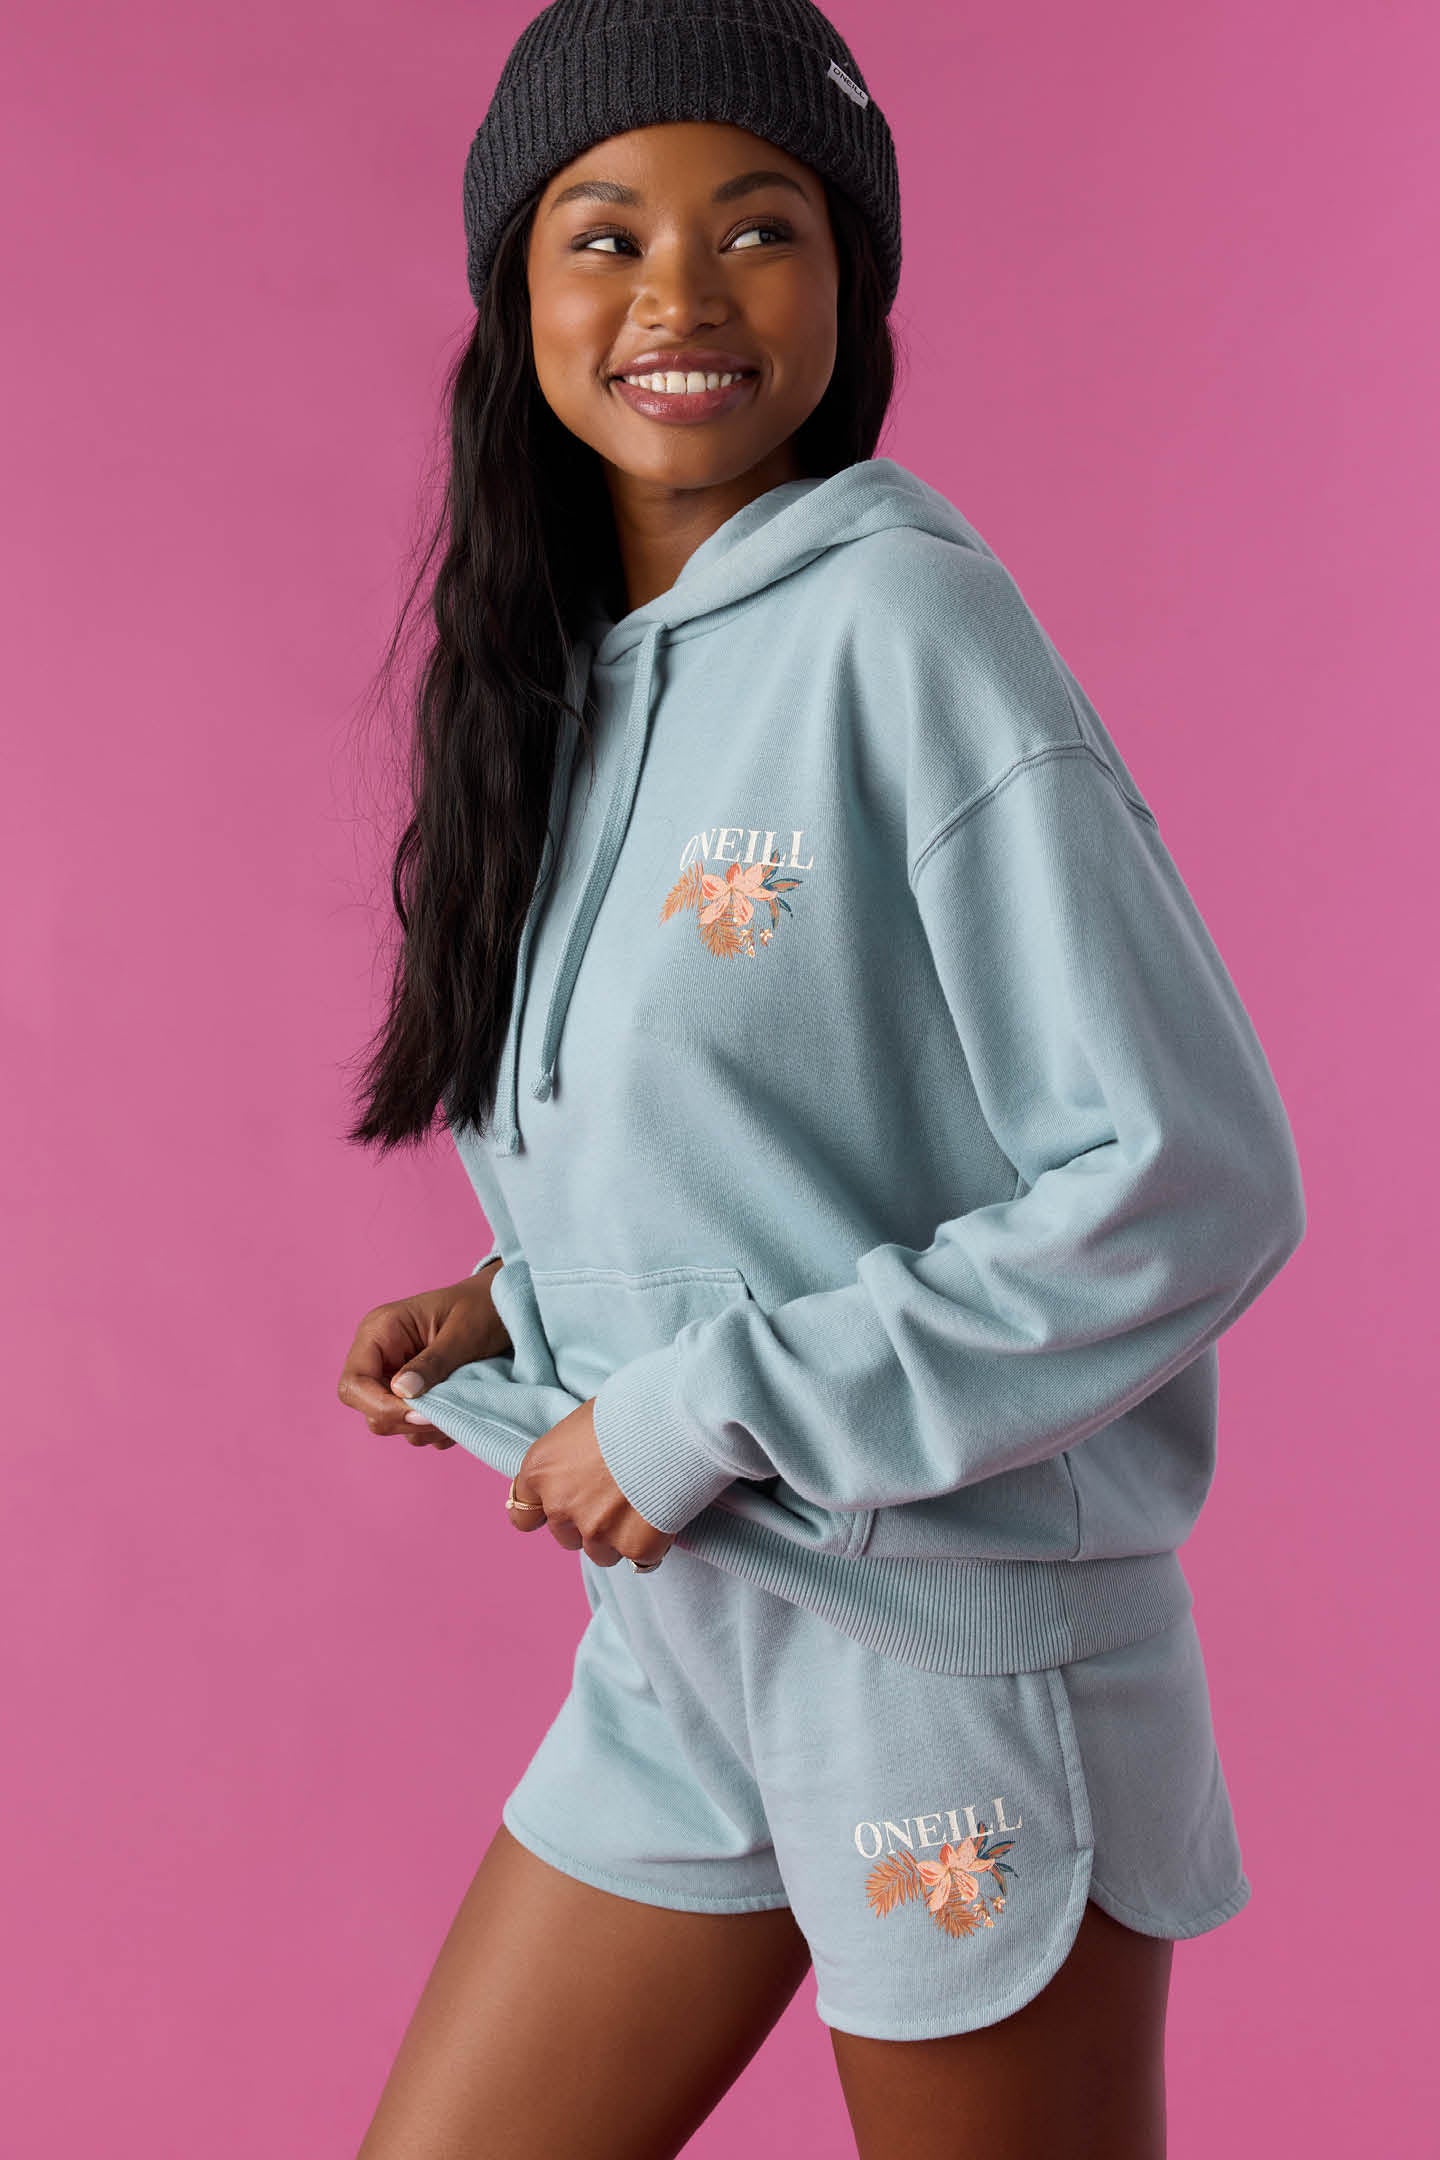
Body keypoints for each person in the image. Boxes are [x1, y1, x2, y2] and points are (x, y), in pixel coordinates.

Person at [336, 2, 1306, 2152]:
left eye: (758, 228)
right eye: (606, 235)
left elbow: (1193, 1175)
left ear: (848, 283)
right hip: (687, 1636)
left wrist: (697, 1406)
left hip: (953, 1656)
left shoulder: (909, 630)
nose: (680, 292)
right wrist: (519, 1304)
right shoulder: (562, 686)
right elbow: (785, 1134)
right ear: (515, 290)